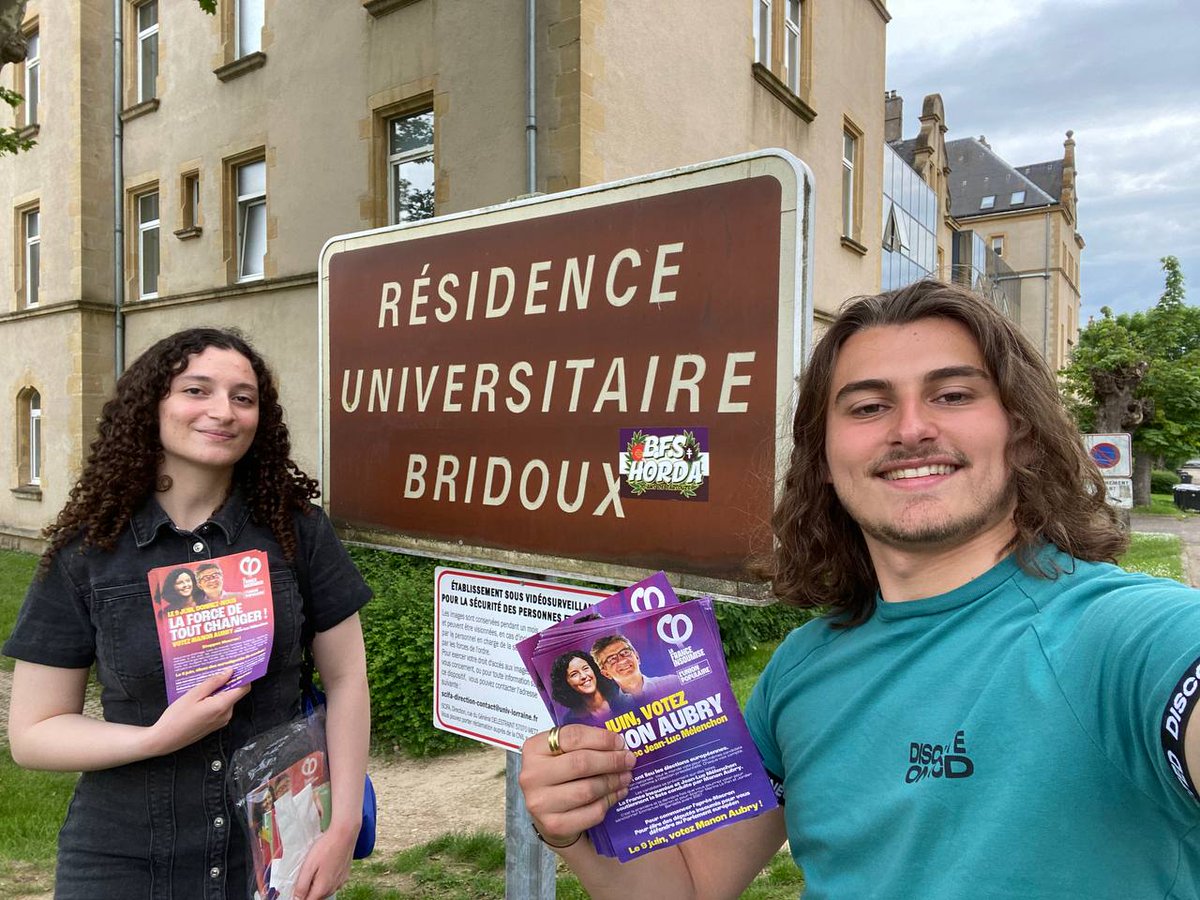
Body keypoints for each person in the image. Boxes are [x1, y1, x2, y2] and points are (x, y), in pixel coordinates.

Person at [517, 280, 1200, 898]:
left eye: (953, 395)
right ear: (825, 455)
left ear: (1019, 431)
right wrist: (576, 824)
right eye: (869, 406)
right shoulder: (800, 669)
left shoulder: (1128, 635)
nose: (910, 429)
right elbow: (689, 889)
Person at [3, 327, 372, 900]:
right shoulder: (88, 551)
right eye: (197, 391)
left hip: (275, 849)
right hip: (124, 857)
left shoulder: (297, 532)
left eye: (243, 398)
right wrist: (155, 737)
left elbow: (347, 679)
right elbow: (33, 733)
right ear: (152, 406)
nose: (223, 412)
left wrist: (344, 822)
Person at [590, 634, 680, 701]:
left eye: (625, 653)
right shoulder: (614, 710)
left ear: (637, 657)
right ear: (606, 674)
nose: (622, 660)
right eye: (611, 659)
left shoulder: (674, 683)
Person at [550, 651, 625, 726]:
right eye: (574, 674)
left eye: (585, 668)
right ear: (566, 683)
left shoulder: (621, 691)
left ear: (594, 669)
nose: (583, 676)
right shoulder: (572, 722)